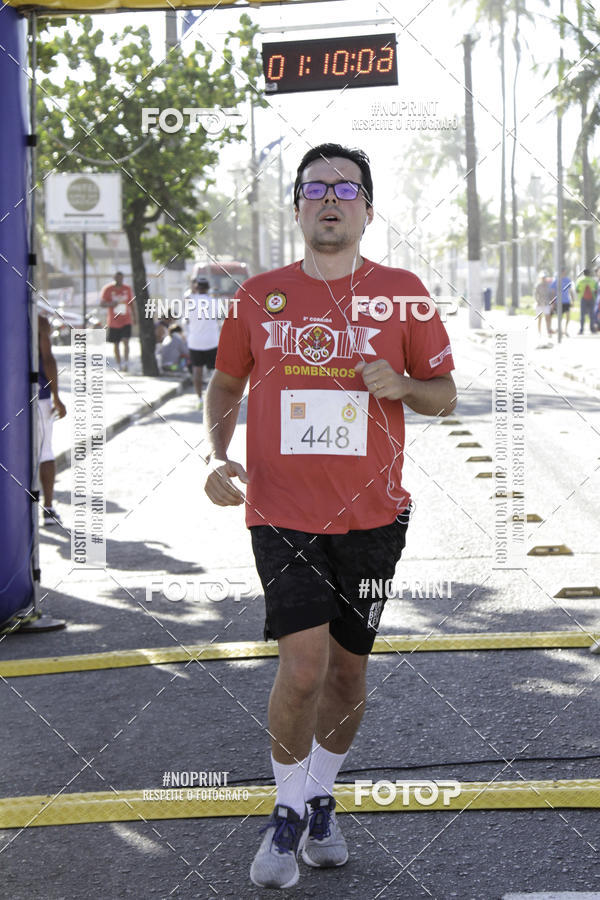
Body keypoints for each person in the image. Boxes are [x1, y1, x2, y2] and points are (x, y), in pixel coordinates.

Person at [204, 143, 456, 890]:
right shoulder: (259, 297)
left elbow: (445, 395)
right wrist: (217, 457)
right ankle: (286, 813)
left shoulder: (403, 294)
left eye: (346, 188)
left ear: (368, 210)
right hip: (281, 511)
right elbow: (223, 387)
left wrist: (404, 382)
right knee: (304, 666)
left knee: (348, 673)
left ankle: (321, 796)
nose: (330, 198)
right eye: (315, 188)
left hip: (375, 516)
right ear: (298, 207)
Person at [38, 312, 67, 526]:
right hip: (38, 397)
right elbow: (47, 359)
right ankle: (47, 509)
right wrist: (57, 396)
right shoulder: (39, 321)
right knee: (45, 452)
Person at [184, 276, 219, 407]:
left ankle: (199, 399)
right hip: (212, 341)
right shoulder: (214, 302)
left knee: (197, 371)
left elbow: (186, 320)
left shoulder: (190, 302)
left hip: (195, 342)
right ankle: (214, 399)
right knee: (215, 373)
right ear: (208, 288)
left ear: (196, 288)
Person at [100, 271, 136, 371]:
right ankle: (119, 364)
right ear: (114, 278)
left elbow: (132, 303)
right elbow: (102, 304)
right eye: (117, 278)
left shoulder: (127, 288)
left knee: (126, 341)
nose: (119, 280)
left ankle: (126, 362)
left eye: (121, 278)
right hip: (113, 321)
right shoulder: (108, 289)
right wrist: (111, 304)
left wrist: (135, 317)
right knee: (116, 343)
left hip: (126, 319)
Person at [550, 267, 575, 336]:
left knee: (568, 316)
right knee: (560, 317)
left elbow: (570, 291)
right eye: (561, 272)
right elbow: (552, 292)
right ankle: (560, 330)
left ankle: (565, 330)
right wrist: (553, 302)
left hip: (566, 301)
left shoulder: (568, 280)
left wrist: (573, 301)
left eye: (563, 272)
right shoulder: (556, 281)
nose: (562, 273)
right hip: (558, 301)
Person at [575, 268, 598, 334]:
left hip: (583, 299)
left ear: (583, 273)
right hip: (591, 298)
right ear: (589, 273)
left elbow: (577, 290)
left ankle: (581, 329)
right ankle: (592, 329)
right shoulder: (593, 280)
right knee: (592, 314)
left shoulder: (580, 280)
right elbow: (596, 290)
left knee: (582, 315)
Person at [534, 273, 553, 338]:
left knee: (547, 318)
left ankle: (548, 332)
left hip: (546, 304)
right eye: (542, 278)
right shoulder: (538, 285)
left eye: (544, 278)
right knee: (540, 318)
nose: (543, 279)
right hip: (539, 304)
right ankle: (539, 332)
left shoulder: (548, 286)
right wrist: (537, 301)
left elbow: (550, 294)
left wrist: (551, 303)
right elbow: (536, 295)